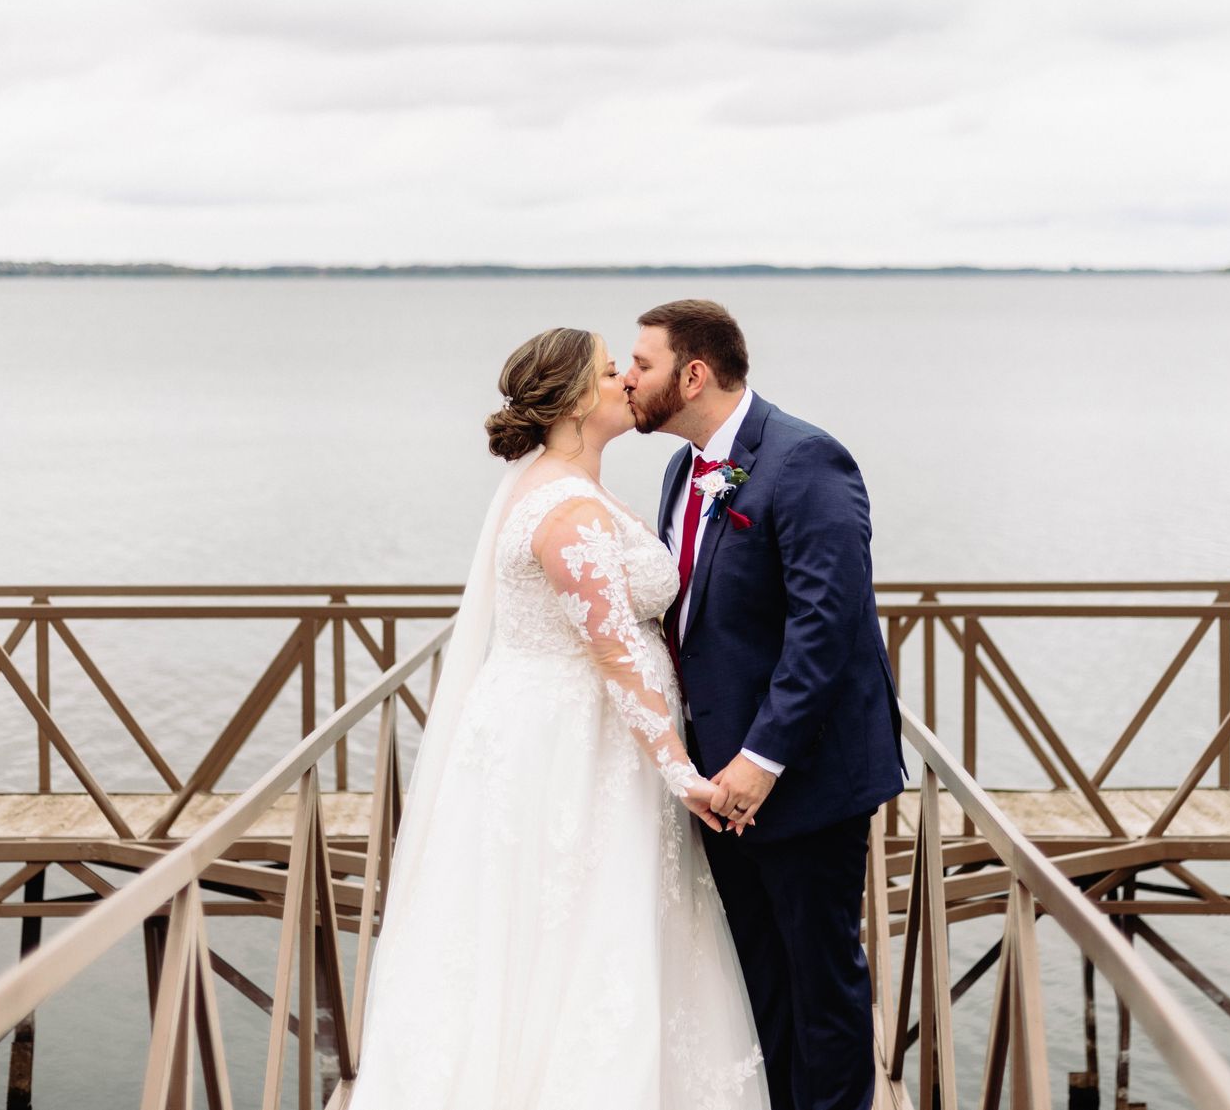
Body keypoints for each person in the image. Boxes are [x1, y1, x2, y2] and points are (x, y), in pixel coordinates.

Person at [349, 328, 769, 1109]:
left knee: (594, 935)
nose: (626, 382)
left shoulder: (573, 488)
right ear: (577, 398)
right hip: (574, 751)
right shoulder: (565, 513)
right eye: (614, 372)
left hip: (595, 741)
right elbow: (613, 652)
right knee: (575, 936)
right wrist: (682, 772)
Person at [625, 300, 904, 1110]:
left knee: (821, 984)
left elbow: (828, 622)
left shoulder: (807, 459)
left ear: (694, 373)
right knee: (757, 983)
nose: (627, 378)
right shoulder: (682, 471)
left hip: (803, 778)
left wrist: (761, 758)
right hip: (716, 784)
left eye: (642, 364)